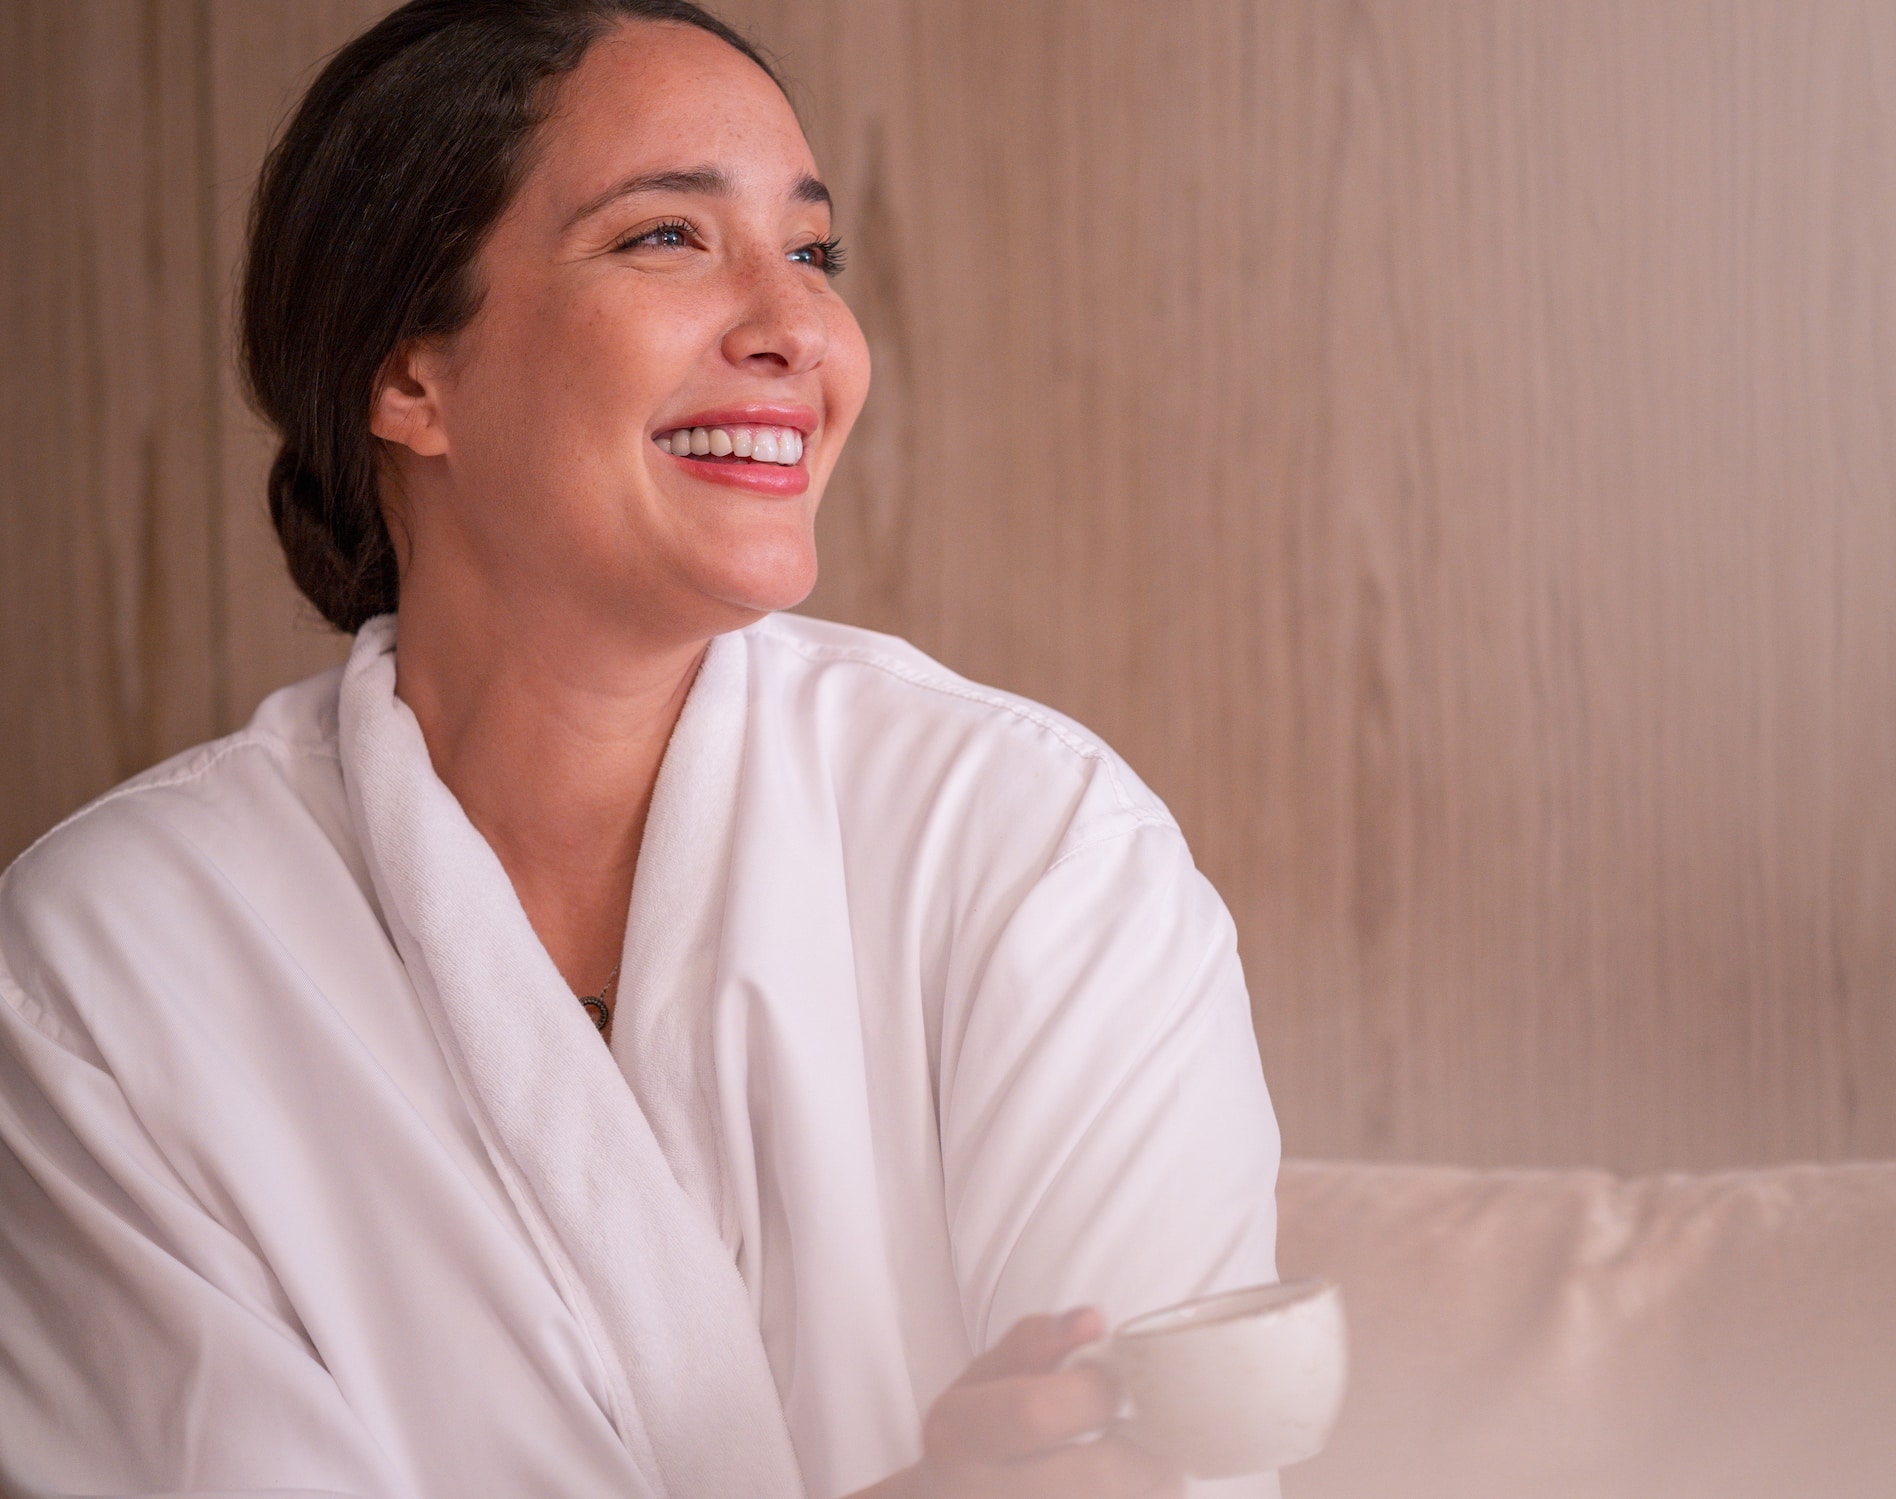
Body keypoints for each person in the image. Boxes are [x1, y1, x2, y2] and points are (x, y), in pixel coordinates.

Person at [0, 3, 1290, 1495]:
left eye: (812, 254)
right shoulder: (98, 976)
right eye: (667, 239)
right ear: (406, 374)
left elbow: (1166, 1469)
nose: (798, 330)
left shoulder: (1034, 852)